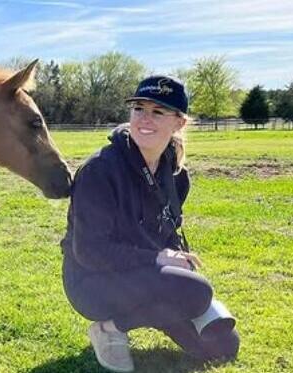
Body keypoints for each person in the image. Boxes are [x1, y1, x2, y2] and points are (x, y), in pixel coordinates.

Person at [60, 75, 240, 372]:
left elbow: (167, 232)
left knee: (222, 346)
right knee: (197, 293)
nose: (145, 119)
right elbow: (90, 252)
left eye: (158, 112)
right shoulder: (99, 171)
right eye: (139, 109)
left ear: (179, 123)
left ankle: (149, 312)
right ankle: (110, 327)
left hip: (145, 276)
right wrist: (158, 260)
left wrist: (177, 258)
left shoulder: (177, 176)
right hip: (92, 280)